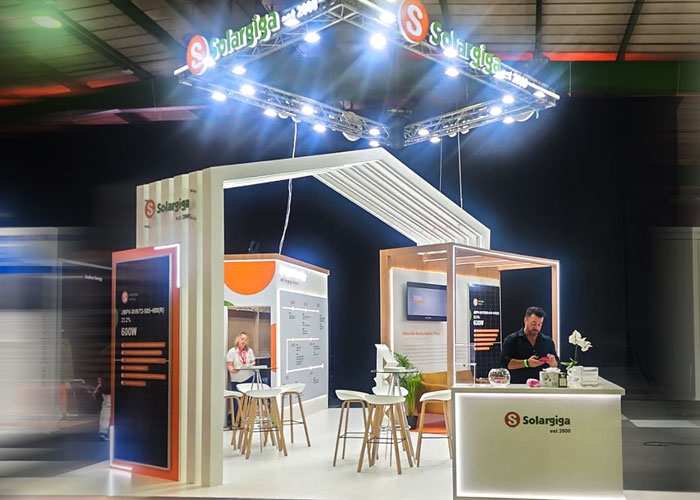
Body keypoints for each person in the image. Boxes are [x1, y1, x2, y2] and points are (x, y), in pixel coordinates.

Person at [500, 306, 558, 384]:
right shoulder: (512, 339)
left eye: (539, 324)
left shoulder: (548, 341)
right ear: (525, 320)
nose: (536, 327)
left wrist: (553, 362)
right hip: (518, 387)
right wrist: (526, 363)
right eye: (533, 323)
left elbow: (556, 364)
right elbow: (504, 363)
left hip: (542, 387)